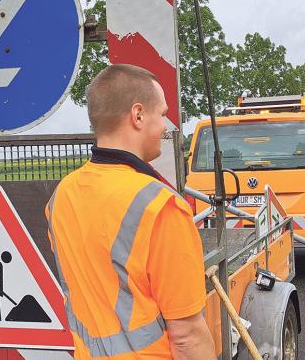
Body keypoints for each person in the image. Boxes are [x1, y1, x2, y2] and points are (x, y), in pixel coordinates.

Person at [45, 64, 214, 359]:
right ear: (138, 115)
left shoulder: (63, 195)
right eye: (162, 114)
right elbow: (187, 335)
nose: (166, 126)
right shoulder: (161, 207)